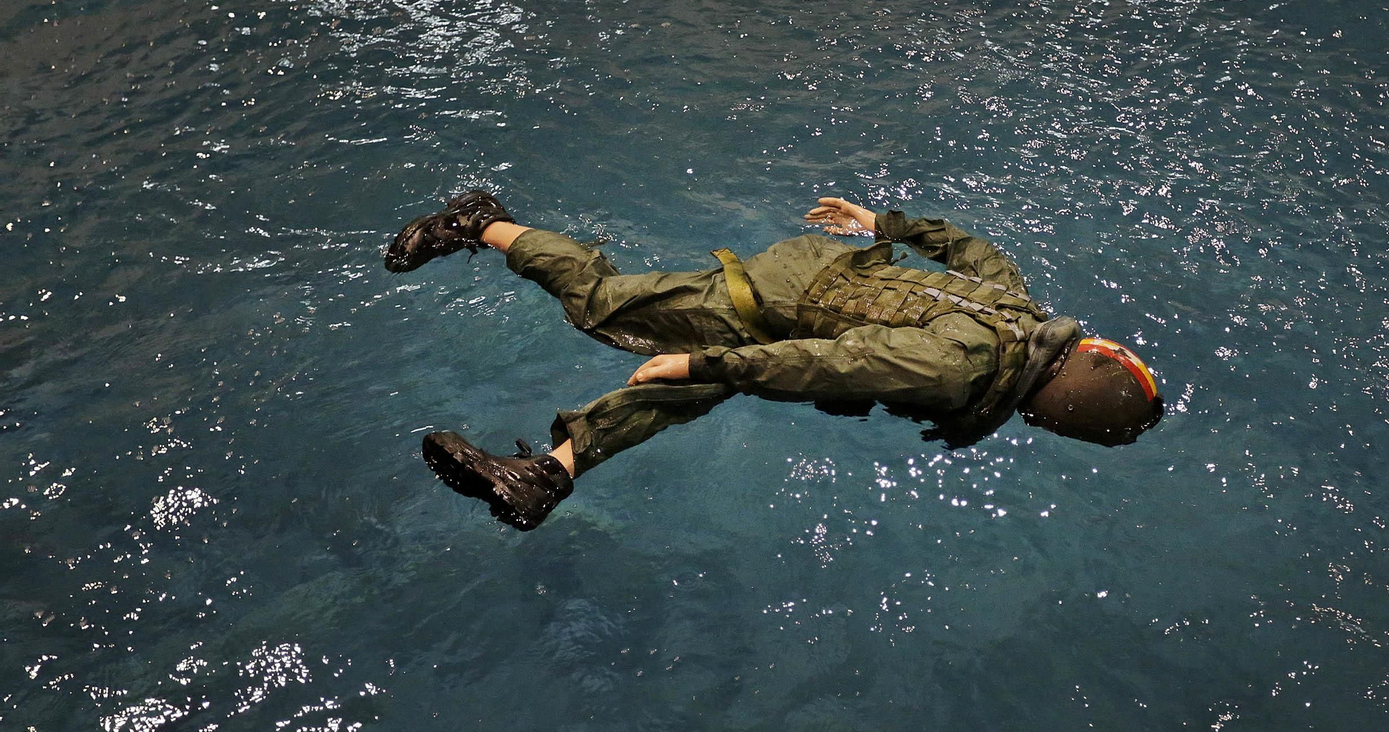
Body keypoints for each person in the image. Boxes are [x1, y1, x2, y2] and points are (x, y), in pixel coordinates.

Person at [384, 191, 1163, 531]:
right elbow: (822, 370)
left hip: (818, 303)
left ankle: (546, 476)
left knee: (676, 394)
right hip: (779, 295)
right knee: (604, 308)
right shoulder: (953, 373)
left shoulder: (1021, 318)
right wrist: (708, 364)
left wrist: (885, 221)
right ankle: (480, 223)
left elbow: (975, 253)